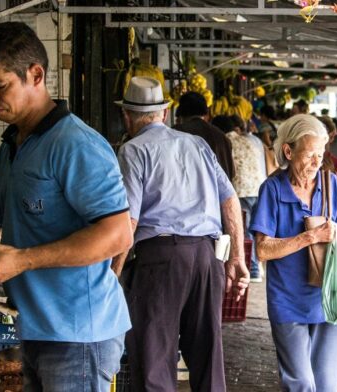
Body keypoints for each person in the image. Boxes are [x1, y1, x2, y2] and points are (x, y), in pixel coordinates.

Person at [0, 22, 133, 392]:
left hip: (78, 334)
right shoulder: (13, 144)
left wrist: (23, 259)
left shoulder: (75, 144)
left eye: (0, 85)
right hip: (35, 326)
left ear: (36, 75)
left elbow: (117, 234)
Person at [113, 77, 248, 392]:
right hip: (206, 257)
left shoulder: (132, 150)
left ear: (127, 116)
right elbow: (230, 199)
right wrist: (237, 256)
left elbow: (129, 220)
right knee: (207, 357)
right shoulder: (196, 144)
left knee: (154, 363)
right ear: (163, 113)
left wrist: (112, 274)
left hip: (161, 261)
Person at [249, 114, 337, 392]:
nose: (317, 162)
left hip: (329, 298)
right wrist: (310, 236)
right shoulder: (272, 189)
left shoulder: (331, 186)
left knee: (327, 385)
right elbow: (263, 249)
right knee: (301, 383)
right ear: (288, 151)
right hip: (287, 301)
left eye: (320, 154)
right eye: (309, 155)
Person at [222, 114, 267, 282]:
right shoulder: (251, 139)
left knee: (244, 231)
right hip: (258, 187)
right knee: (256, 229)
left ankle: (253, 269)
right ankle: (258, 268)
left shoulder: (226, 141)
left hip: (240, 190)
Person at [175, 92, 235, 180]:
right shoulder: (221, 136)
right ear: (206, 112)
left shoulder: (176, 133)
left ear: (180, 112)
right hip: (221, 192)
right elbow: (232, 173)